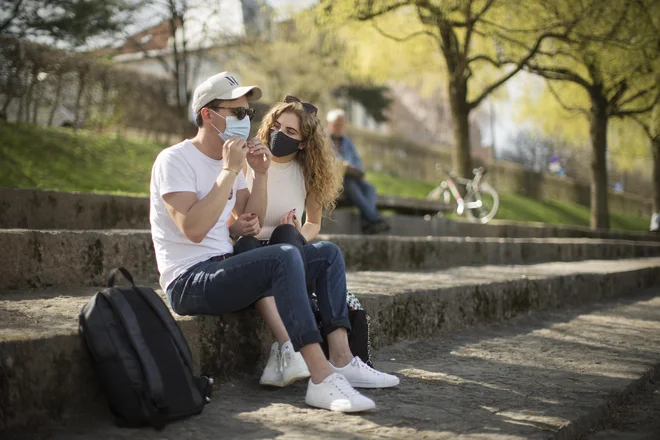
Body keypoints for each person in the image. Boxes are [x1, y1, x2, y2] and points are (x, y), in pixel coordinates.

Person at [150, 72, 396, 413]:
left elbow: (250, 217)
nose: (245, 120)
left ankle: (341, 359)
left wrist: (260, 173)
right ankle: (321, 378)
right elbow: (191, 228)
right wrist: (229, 172)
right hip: (189, 281)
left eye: (248, 113)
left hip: (226, 266)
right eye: (237, 112)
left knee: (326, 253)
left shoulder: (228, 162)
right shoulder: (175, 159)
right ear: (208, 114)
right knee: (282, 255)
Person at [229, 96, 383, 378]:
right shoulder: (248, 161)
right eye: (276, 126)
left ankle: (342, 357)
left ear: (303, 142)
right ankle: (288, 345)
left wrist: (300, 233)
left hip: (289, 250)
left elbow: (313, 223)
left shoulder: (308, 173)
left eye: (290, 132)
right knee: (254, 242)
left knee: (326, 250)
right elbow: (238, 217)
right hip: (250, 253)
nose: (279, 134)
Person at [326, 109, 390, 234]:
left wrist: (356, 169)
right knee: (350, 185)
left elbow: (357, 160)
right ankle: (374, 219)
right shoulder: (323, 140)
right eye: (336, 124)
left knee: (369, 188)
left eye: (341, 124)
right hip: (335, 180)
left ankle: (366, 223)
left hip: (351, 176)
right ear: (330, 124)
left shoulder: (347, 141)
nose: (339, 127)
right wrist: (342, 165)